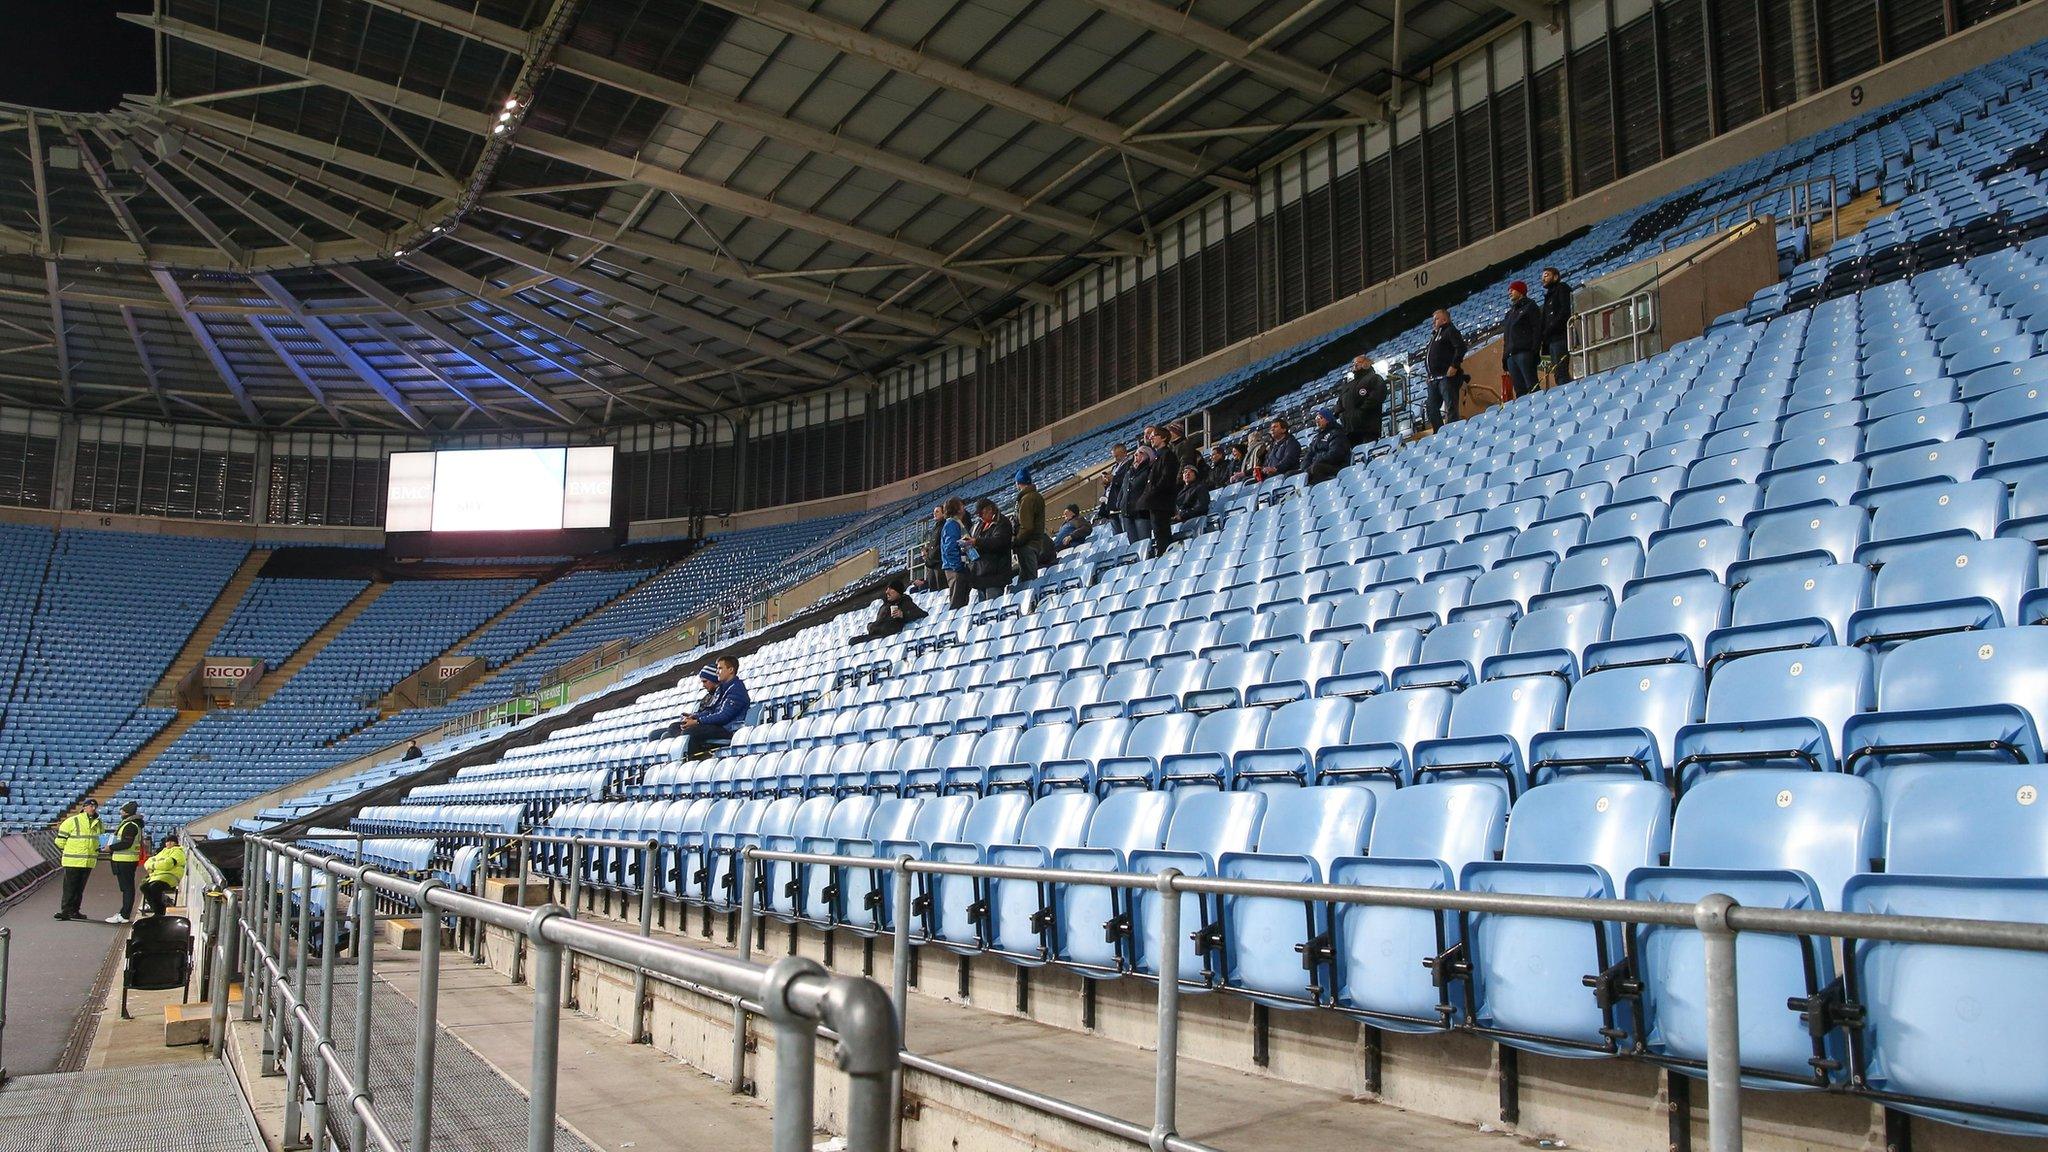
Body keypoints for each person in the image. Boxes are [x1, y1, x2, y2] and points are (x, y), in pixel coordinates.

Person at [676, 656, 749, 757]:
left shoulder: (736, 689)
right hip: (717, 726)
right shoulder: (722, 688)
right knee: (675, 727)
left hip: (727, 729)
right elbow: (712, 711)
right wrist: (695, 716)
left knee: (690, 731)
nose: (717, 672)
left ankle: (692, 764)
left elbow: (723, 716)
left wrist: (698, 721)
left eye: (720, 668)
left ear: (731, 670)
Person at [53, 798, 102, 921]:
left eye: (95, 806)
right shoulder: (72, 821)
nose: (93, 808)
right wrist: (71, 850)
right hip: (73, 860)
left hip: (88, 861)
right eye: (91, 806)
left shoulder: (99, 823)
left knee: (80, 888)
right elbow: (60, 840)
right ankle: (65, 911)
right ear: (84, 807)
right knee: (70, 888)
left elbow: (100, 839)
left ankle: (75, 911)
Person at [1137, 429, 1181, 557]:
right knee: (1158, 533)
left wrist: (1152, 492)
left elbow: (1166, 478)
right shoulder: (1158, 456)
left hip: (1161, 501)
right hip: (1155, 501)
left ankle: (1166, 557)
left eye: (1154, 436)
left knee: (1162, 533)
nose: (1151, 438)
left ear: (1163, 438)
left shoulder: (1168, 455)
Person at [1424, 308, 1469, 431]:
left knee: (1451, 406)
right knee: (1431, 407)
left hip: (1446, 377)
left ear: (1444, 319)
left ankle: (1452, 431)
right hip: (1434, 379)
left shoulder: (1450, 331)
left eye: (1436, 319)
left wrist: (1454, 366)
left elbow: (1461, 348)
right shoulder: (1434, 335)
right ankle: (1440, 432)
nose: (1434, 322)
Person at [964, 498, 1014, 600]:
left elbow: (998, 542)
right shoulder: (980, 525)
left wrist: (976, 542)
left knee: (993, 606)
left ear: (989, 509)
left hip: (995, 574)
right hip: (980, 574)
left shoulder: (1002, 523)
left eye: (981, 513)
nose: (979, 516)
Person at [106, 800, 145, 924]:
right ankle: (124, 913)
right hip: (125, 860)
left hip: (125, 861)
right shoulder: (130, 824)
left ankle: (124, 914)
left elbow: (126, 843)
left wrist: (110, 848)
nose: (120, 812)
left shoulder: (130, 825)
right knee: (127, 888)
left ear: (126, 811)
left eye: (122, 810)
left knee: (127, 889)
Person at [1502, 280, 1543, 399]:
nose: (1509, 292)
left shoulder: (1530, 306)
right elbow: (1506, 337)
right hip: (1511, 356)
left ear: (1521, 291)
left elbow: (1536, 329)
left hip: (1524, 353)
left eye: (1512, 289)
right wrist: (1505, 357)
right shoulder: (1509, 313)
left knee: (1532, 385)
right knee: (1519, 390)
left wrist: (1534, 350)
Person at [1011, 470, 1053, 583]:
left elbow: (1027, 526)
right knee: (1026, 577)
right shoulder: (1035, 496)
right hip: (1033, 543)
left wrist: (1016, 541)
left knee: (1028, 580)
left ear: (1018, 483)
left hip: (1027, 544)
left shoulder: (1027, 499)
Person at [1337, 356, 1387, 447]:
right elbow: (1339, 403)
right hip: (1349, 431)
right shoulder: (1348, 385)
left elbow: (1377, 396)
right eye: (1353, 363)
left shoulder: (1374, 378)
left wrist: (1360, 412)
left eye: (1358, 362)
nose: (1355, 365)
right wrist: (1342, 416)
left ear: (1366, 363)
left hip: (1368, 427)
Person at [1541, 266, 1573, 388]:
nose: (1543, 279)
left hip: (1561, 336)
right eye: (1542, 276)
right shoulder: (1548, 296)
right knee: (1558, 373)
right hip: (1552, 340)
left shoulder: (1562, 288)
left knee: (1561, 372)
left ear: (1555, 277)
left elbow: (1565, 311)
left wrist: (1550, 327)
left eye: (1546, 275)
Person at [141, 832, 186, 918]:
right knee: (144, 887)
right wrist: (155, 865)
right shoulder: (164, 851)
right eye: (167, 842)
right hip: (158, 876)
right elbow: (149, 861)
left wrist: (153, 866)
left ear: (175, 843)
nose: (168, 843)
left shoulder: (178, 852)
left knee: (154, 887)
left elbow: (168, 864)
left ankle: (160, 911)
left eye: (170, 842)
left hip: (170, 877)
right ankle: (155, 908)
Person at [1098, 442, 1135, 541]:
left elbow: (1126, 480)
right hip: (1111, 503)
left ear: (1124, 453)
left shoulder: (1130, 464)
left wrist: (1113, 479)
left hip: (1121, 502)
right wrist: (1107, 482)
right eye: (1114, 456)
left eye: (1117, 456)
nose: (1115, 459)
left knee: (1126, 534)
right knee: (1117, 536)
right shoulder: (1115, 467)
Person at [1304, 408, 1349, 485]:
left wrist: (1316, 460)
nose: (1317, 421)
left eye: (1320, 418)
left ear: (1328, 419)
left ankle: (1323, 489)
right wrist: (1305, 467)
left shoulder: (1337, 433)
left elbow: (1335, 454)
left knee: (1316, 468)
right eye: (1316, 418)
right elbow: (1309, 454)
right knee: (1291, 474)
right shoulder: (1317, 437)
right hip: (1317, 464)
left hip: (1335, 466)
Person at [938, 499, 969, 609]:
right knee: (957, 603)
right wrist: (958, 566)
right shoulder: (952, 524)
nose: (964, 508)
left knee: (962, 601)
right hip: (955, 568)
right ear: (956, 508)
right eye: (961, 506)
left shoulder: (955, 523)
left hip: (956, 567)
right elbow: (950, 548)